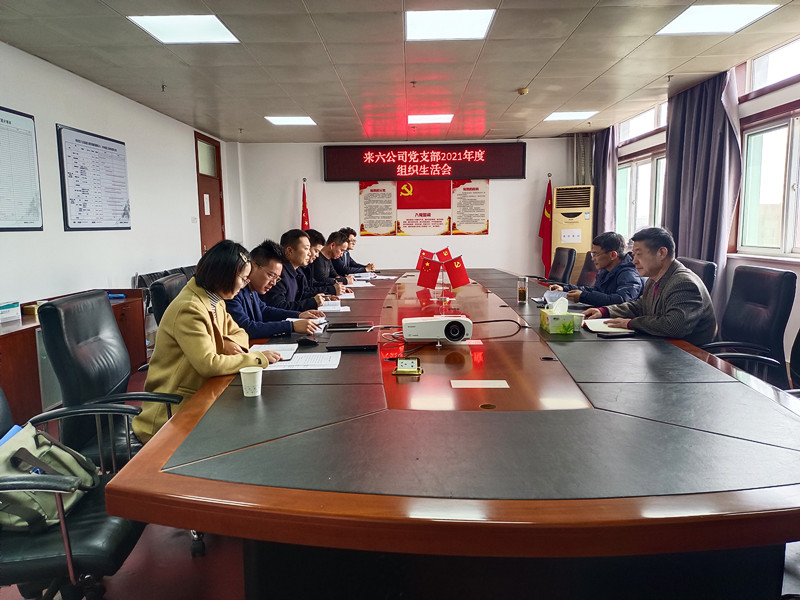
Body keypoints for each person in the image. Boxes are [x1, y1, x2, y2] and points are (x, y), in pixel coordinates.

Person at [133, 240, 281, 443]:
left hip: (200, 395)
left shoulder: (215, 300)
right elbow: (209, 364)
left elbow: (240, 333)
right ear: (225, 275)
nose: (245, 284)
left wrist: (225, 340)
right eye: (243, 279)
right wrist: (258, 358)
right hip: (172, 413)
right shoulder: (190, 308)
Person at [584, 227, 717, 345]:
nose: (634, 261)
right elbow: (641, 305)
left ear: (661, 253)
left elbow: (673, 326)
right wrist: (605, 311)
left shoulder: (683, 283)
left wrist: (630, 323)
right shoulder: (654, 278)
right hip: (661, 344)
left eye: (639, 254)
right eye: (633, 255)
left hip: (687, 353)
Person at [227, 239, 325, 339]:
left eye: (277, 278)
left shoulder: (252, 290)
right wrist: (291, 326)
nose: (273, 283)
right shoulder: (233, 292)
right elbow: (247, 328)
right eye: (271, 275)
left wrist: (299, 315)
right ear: (253, 265)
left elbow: (264, 310)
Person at [549, 232, 642, 306]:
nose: (593, 259)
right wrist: (565, 288)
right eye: (592, 254)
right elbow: (596, 290)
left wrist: (583, 296)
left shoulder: (629, 273)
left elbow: (622, 301)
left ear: (613, 255)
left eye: (596, 254)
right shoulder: (606, 270)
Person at [262, 229, 335, 311]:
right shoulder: (279, 274)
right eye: (306, 249)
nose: (309, 253)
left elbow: (299, 296)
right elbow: (277, 307)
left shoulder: (296, 271)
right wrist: (311, 303)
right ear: (290, 251)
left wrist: (322, 297)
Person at [302, 228, 347, 296]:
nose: (317, 255)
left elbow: (312, 284)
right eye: (306, 249)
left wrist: (337, 286)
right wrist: (332, 289)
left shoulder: (305, 267)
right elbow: (320, 280)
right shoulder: (315, 261)